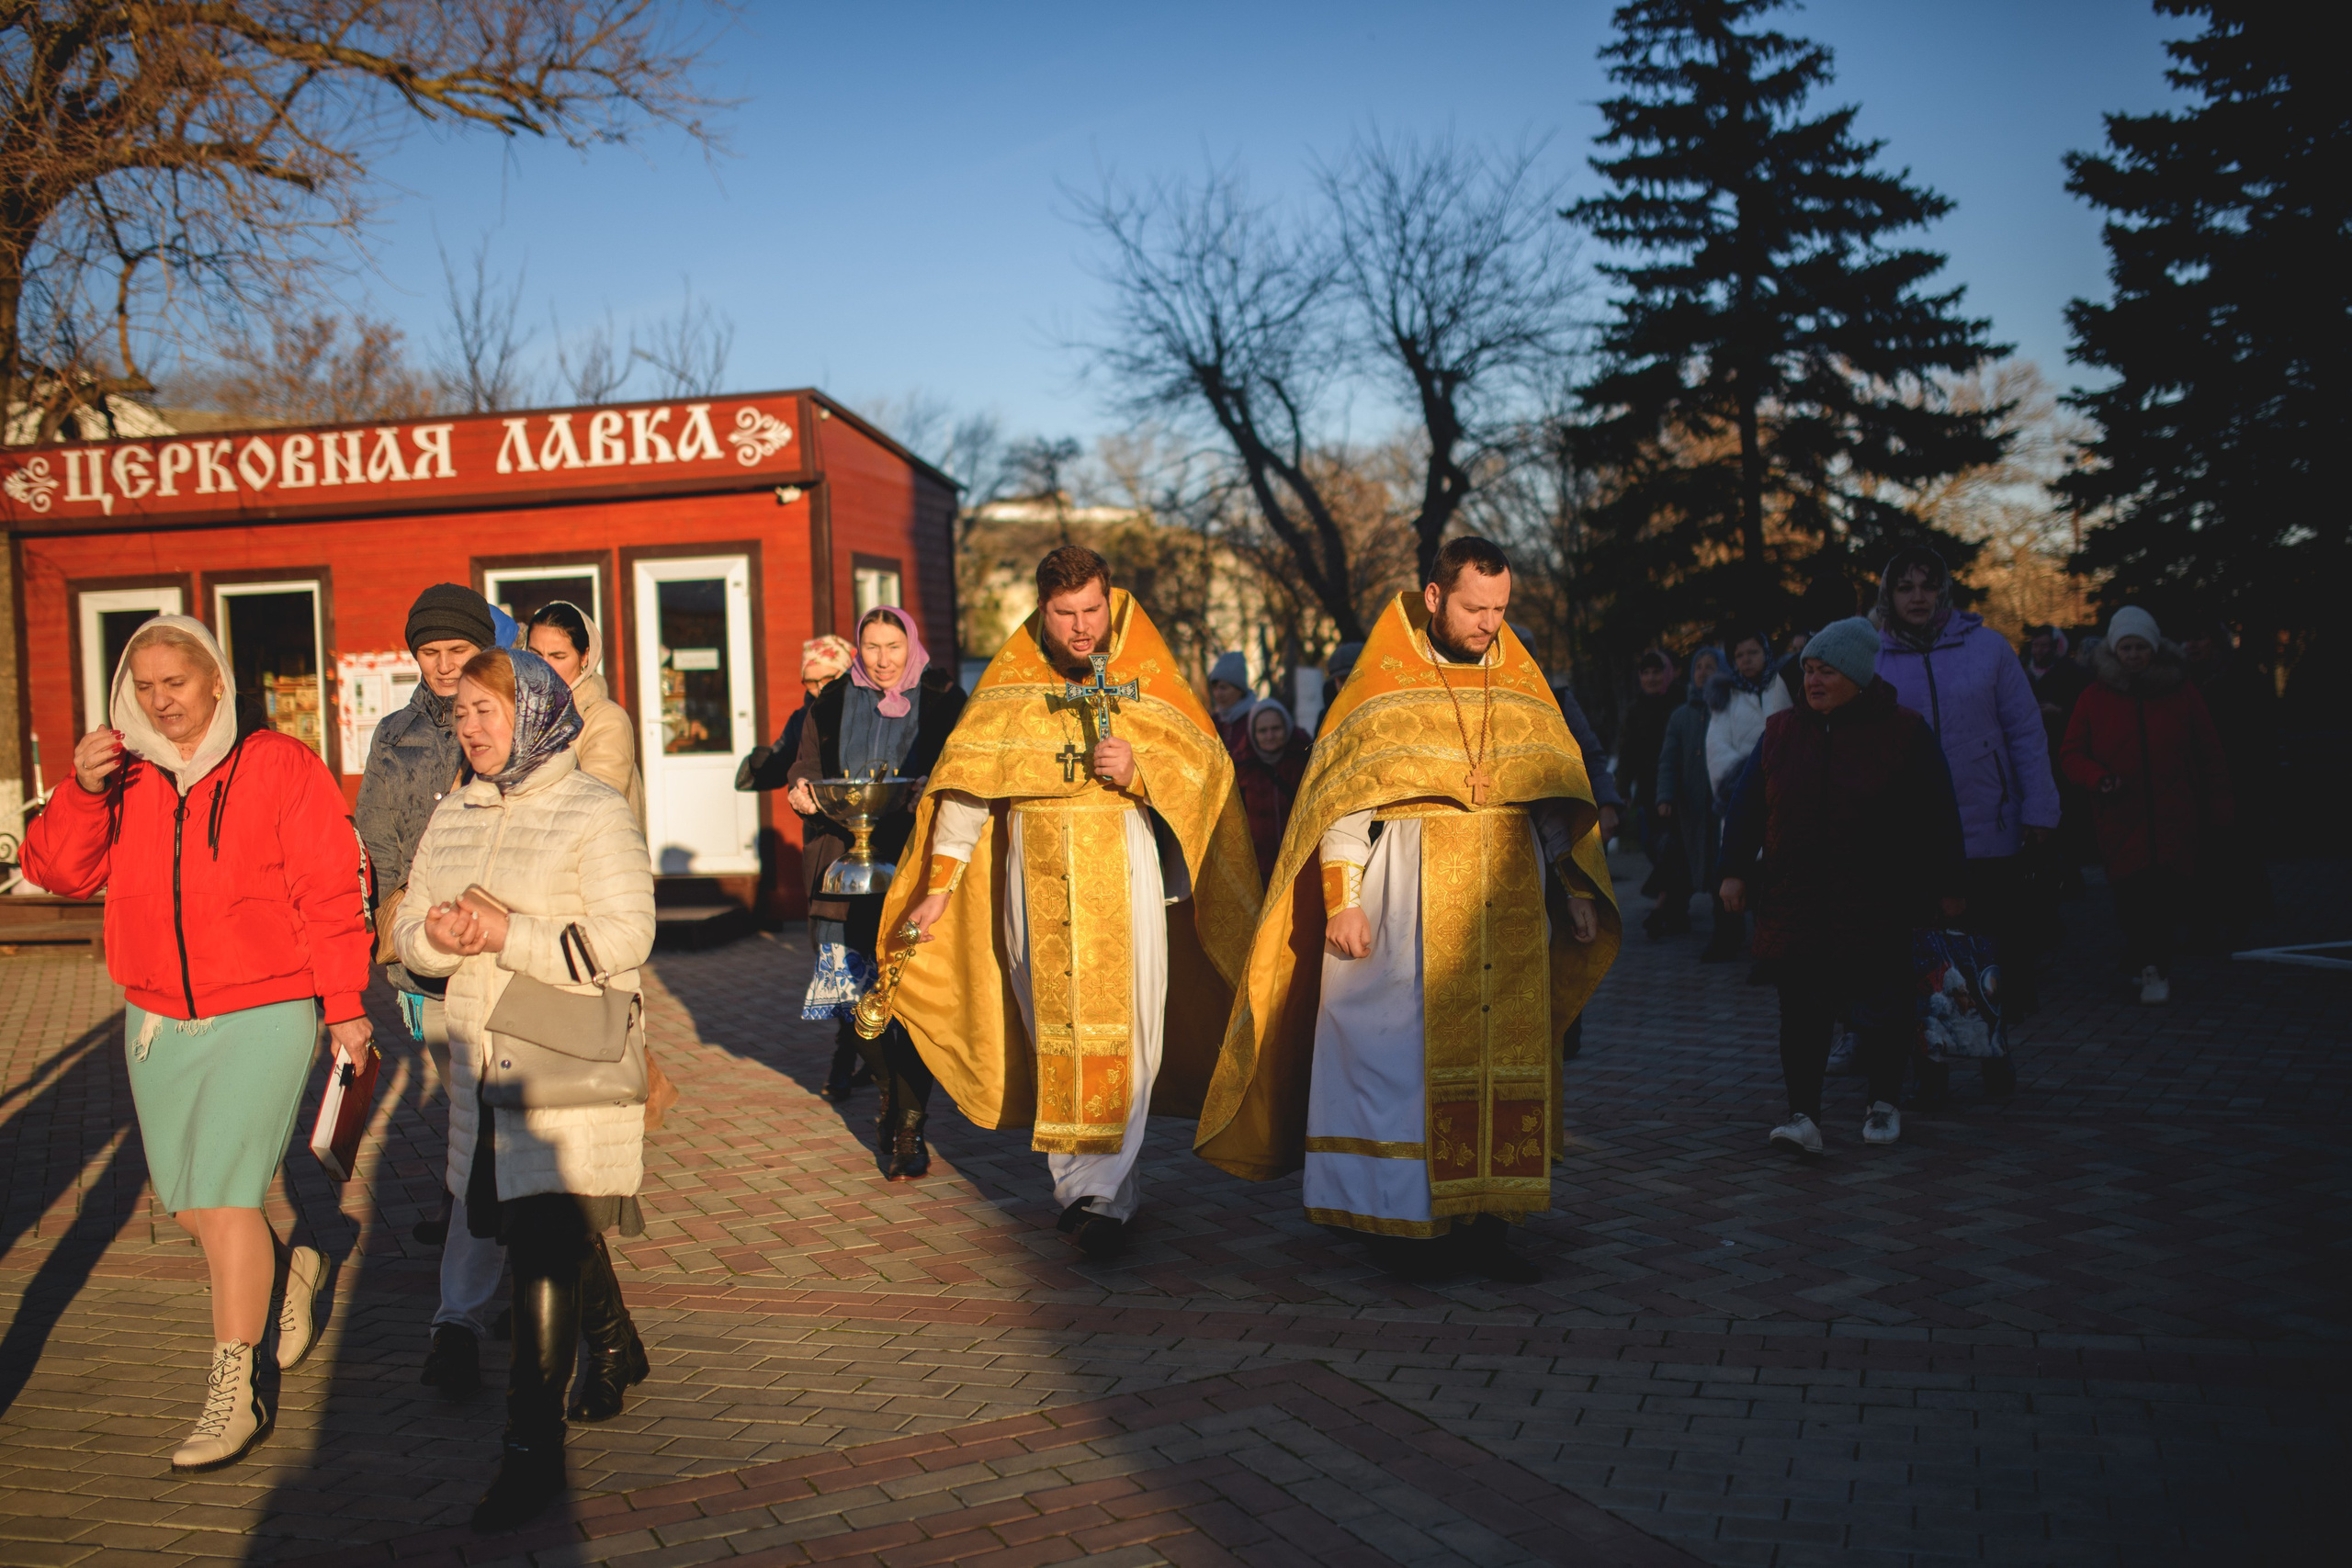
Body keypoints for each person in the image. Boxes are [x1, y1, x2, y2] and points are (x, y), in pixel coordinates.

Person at [1194, 537, 1617, 1282]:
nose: (1490, 622)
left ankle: (1489, 1221)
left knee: (1502, 1060)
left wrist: (1575, 886)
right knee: (1397, 1063)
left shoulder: (1520, 683)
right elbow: (1342, 801)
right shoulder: (1382, 682)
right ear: (1433, 597)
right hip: (1405, 896)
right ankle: (1405, 1220)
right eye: (1475, 607)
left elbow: (1549, 795)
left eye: (1501, 608)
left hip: (1509, 899)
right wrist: (1344, 900)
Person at [22, 616, 370, 1471]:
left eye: (174, 682)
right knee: (190, 1203)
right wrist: (81, 790)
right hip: (157, 1017)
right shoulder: (125, 777)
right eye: (142, 686)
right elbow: (56, 870)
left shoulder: (280, 764)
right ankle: (290, 1274)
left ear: (217, 679)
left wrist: (343, 1005)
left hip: (266, 1007)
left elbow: (329, 888)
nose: (159, 700)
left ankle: (236, 1388)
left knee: (223, 1194)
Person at [877, 547, 1261, 1260]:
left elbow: (1204, 766)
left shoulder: (1146, 668)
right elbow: (968, 786)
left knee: (1127, 1027)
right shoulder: (1011, 680)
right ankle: (1092, 1189)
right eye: (1065, 613)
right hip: (1036, 872)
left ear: (1108, 601)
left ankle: (1100, 1195)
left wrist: (1139, 770)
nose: (1082, 627)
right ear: (1042, 609)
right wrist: (937, 890)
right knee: (1054, 1029)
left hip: (1122, 862)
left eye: (1092, 609)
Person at [393, 647, 656, 1531]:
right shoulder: (454, 811)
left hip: (563, 1058)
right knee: (536, 1218)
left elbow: (627, 934)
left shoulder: (592, 808)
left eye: (487, 710)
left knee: (542, 1236)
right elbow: (409, 929)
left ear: (536, 711)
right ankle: (615, 1342)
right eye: (462, 711)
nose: (470, 727)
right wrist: (436, 937)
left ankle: (530, 1452)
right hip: (481, 1060)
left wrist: (510, 934)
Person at [1716, 618, 1966, 1156]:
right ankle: (1803, 1116)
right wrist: (1733, 869)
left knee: (1882, 1007)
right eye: (1808, 670)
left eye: (1826, 671)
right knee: (1801, 1013)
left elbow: (1937, 812)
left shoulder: (1903, 731)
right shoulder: (1781, 732)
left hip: (1879, 900)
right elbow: (1747, 804)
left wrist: (1949, 884)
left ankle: (1883, 1102)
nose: (1813, 681)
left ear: (1856, 676)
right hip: (1797, 900)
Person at [355, 583, 502, 1395]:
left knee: (492, 1116)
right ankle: (473, 1268)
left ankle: (488, 1266)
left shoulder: (510, 718)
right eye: (430, 652)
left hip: (502, 950)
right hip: (422, 953)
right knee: (468, 1107)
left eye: (457, 649)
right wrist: (392, 920)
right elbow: (375, 836)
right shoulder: (396, 732)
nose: (444, 665)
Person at [783, 605, 967, 1179]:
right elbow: (805, 763)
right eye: (871, 647)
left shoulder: (943, 698)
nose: (883, 660)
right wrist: (800, 788)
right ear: (857, 649)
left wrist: (932, 787)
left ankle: (910, 1127)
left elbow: (965, 767)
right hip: (841, 869)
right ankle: (889, 1091)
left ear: (911, 645)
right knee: (850, 995)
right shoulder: (833, 699)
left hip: (915, 872)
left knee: (908, 1003)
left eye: (893, 646)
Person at [1872, 548, 2060, 1022]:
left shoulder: (1990, 649)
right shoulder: (1872, 657)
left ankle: (1994, 1043)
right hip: (1907, 835)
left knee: (1993, 952)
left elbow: (2025, 732)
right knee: (1920, 957)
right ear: (1888, 595)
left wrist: (2040, 808)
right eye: (1905, 587)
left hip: (1989, 827)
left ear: (1945, 591)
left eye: (1928, 586)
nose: (1918, 597)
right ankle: (1928, 1050)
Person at [2061, 608, 2233, 1004]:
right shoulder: (2093, 697)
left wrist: (2220, 808)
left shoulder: (2182, 692)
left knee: (2165, 899)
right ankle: (2142, 961)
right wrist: (2098, 777)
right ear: (2114, 650)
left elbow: (2209, 753)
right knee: (2131, 901)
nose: (2134, 655)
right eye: (2127, 648)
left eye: (2141, 647)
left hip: (2175, 815)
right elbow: (2071, 753)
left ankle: (2156, 969)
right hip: (2120, 817)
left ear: (2153, 649)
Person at [736, 635, 863, 1098]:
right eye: (809, 681)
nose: (817, 689)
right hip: (826, 852)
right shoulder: (803, 718)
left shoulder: (869, 712)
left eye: (828, 678)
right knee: (834, 953)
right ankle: (846, 1052)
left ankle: (883, 1056)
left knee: (876, 955)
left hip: (874, 850)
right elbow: (776, 768)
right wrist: (765, 764)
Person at [2181, 617, 2278, 939]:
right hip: (2199, 776)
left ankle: (2238, 918)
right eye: (2187, 639)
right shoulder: (2183, 679)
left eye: (2199, 638)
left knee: (2236, 848)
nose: (2192, 646)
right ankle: (2208, 920)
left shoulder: (2241, 677)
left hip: (2238, 774)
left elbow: (2259, 733)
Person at [1701, 632, 1791, 959]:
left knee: (1775, 875)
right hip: (1743, 793)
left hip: (1782, 793)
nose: (1747, 660)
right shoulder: (1726, 696)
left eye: (1753, 652)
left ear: (1765, 653)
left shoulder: (1782, 686)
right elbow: (1717, 746)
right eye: (1740, 655)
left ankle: (1770, 946)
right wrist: (1744, 780)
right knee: (1736, 865)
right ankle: (1728, 936)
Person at [526, 601, 645, 824]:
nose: (544, 666)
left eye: (558, 656)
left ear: (584, 657)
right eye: (535, 654)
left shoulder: (607, 720)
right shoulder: (518, 712)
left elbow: (596, 806)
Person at [1650, 647, 1724, 942]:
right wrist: (1665, 797)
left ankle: (1725, 927)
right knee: (1681, 862)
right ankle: (1675, 914)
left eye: (1710, 667)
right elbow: (1669, 760)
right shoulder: (1681, 716)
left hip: (1719, 805)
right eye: (1698, 667)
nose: (1703, 672)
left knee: (1719, 863)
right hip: (1688, 806)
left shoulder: (1727, 710)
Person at [1617, 650, 1679, 890]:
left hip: (1678, 786)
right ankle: (1668, 894)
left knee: (1673, 843)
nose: (1651, 678)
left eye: (1657, 672)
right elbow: (1626, 753)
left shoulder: (1678, 704)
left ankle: (1667, 898)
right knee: (1652, 842)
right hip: (1648, 787)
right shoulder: (1635, 711)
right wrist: (1622, 790)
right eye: (1646, 673)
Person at [1232, 696, 1310, 878]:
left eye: (1276, 728)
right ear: (1253, 733)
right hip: (1258, 870)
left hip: (1299, 865)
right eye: (1262, 730)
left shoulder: (1305, 761)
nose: (1269, 736)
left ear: (1286, 727)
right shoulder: (1241, 768)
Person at [1207, 651, 1253, 751]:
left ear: (1239, 689)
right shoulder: (1213, 722)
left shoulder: (1256, 720)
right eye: (1214, 688)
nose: (1218, 694)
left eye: (1223, 688)